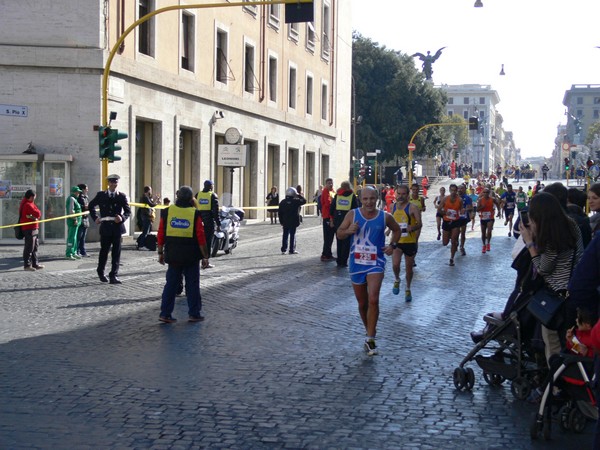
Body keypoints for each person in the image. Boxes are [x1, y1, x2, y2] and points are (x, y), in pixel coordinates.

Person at [519, 192, 583, 365]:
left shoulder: (550, 236)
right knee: (572, 342)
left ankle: (556, 385)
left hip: (557, 297)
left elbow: (543, 269)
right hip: (575, 290)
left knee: (554, 343)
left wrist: (530, 243)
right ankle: (574, 377)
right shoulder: (571, 225)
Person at [336, 186, 401, 356]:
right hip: (356, 263)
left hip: (376, 262)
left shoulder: (385, 216)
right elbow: (339, 233)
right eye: (365, 199)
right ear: (360, 200)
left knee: (373, 299)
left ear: (377, 198)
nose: (369, 202)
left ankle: (371, 338)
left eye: (372, 198)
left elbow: (397, 230)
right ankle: (369, 331)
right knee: (362, 303)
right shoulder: (352, 214)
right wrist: (349, 231)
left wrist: (392, 246)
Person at [157, 186, 209, 324]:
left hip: (173, 255)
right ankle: (194, 313)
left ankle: (165, 313)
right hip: (191, 256)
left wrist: (160, 252)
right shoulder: (195, 213)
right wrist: (205, 256)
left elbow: (161, 233)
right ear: (191, 198)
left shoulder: (167, 212)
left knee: (171, 285)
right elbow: (200, 236)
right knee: (192, 285)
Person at [88, 174, 132, 284]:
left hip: (117, 228)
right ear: (108, 183)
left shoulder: (121, 196)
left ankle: (114, 275)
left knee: (116, 253)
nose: (113, 184)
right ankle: (101, 271)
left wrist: (121, 217)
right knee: (104, 251)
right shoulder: (101, 195)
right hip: (106, 227)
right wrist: (95, 218)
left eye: (115, 182)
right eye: (111, 182)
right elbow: (91, 206)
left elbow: (128, 211)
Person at [390, 185, 421, 302]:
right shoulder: (392, 206)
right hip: (397, 241)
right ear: (396, 194)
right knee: (395, 265)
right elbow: (391, 221)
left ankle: (408, 288)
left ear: (408, 195)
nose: (401, 196)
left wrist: (412, 227)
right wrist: (388, 230)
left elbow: (420, 224)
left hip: (410, 242)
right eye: (399, 194)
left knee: (409, 269)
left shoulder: (412, 208)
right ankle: (397, 279)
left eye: (403, 194)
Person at [330, 181, 358, 267]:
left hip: (338, 219)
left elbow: (332, 208)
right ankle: (344, 261)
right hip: (348, 220)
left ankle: (339, 260)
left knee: (339, 239)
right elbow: (355, 209)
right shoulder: (352, 196)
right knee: (346, 241)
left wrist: (332, 220)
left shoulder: (337, 195)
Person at [195, 180, 220, 268]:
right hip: (208, 222)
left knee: (198, 241)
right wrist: (218, 224)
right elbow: (215, 212)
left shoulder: (198, 195)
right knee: (207, 242)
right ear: (211, 186)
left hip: (198, 221)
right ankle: (206, 261)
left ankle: (197, 260)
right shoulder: (213, 195)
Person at [438, 183, 462, 266]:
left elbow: (462, 209)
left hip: (456, 221)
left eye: (455, 190)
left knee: (454, 240)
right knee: (445, 243)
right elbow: (439, 210)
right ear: (449, 190)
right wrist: (445, 212)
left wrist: (462, 211)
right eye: (452, 190)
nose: (453, 192)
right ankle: (449, 236)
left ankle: (452, 258)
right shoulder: (445, 199)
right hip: (446, 221)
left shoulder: (459, 200)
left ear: (456, 191)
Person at [19, 189, 44, 271]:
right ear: (31, 197)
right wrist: (36, 214)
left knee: (35, 247)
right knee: (29, 247)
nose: (35, 198)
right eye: (34, 197)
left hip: (34, 228)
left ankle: (35, 264)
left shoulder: (30, 203)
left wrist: (35, 215)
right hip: (29, 229)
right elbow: (38, 213)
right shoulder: (27, 205)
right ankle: (27, 265)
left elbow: (37, 213)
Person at [278, 187, 306, 255]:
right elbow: (304, 200)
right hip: (293, 221)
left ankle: (284, 249)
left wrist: (281, 221)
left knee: (285, 235)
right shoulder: (296, 201)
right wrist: (298, 195)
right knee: (292, 235)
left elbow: (280, 213)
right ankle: (291, 249)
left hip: (285, 221)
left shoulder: (282, 202)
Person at [136, 185, 159, 250]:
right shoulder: (145, 197)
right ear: (148, 190)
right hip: (146, 216)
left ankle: (140, 243)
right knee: (145, 232)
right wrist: (156, 202)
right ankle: (141, 245)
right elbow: (151, 204)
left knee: (147, 231)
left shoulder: (145, 197)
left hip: (145, 216)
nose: (151, 192)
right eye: (150, 190)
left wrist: (155, 200)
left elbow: (151, 203)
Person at [477, 188, 498, 254]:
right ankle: (484, 245)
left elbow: (497, 203)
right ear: (483, 193)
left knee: (489, 231)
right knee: (483, 233)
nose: (485, 193)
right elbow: (477, 209)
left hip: (490, 217)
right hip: (483, 218)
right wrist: (482, 207)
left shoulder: (492, 199)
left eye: (487, 192)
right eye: (484, 192)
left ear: (489, 193)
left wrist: (499, 211)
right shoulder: (480, 200)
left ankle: (488, 243)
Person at [320, 178, 336, 262]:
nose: (331, 184)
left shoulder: (333, 191)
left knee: (330, 236)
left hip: (332, 216)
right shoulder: (325, 191)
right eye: (329, 183)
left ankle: (329, 254)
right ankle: (324, 254)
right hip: (327, 216)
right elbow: (327, 203)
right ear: (326, 184)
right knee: (327, 237)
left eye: (331, 183)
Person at [65, 186, 82, 260]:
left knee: (74, 237)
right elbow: (71, 211)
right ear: (74, 192)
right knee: (71, 238)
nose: (78, 193)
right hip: (73, 222)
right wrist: (74, 219)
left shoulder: (74, 199)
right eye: (77, 192)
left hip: (76, 222)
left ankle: (73, 252)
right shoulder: (72, 199)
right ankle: (69, 253)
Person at [457, 184, 473, 256]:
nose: (460, 190)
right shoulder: (454, 197)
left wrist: (465, 209)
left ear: (465, 189)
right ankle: (456, 242)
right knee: (456, 232)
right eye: (459, 188)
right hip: (455, 218)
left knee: (463, 232)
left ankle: (462, 246)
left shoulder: (467, 198)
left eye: (462, 188)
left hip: (463, 217)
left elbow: (471, 207)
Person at [76, 183, 90, 257]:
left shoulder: (86, 197)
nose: (87, 190)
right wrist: (85, 207)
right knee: (79, 236)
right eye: (86, 189)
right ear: (82, 189)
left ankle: (83, 251)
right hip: (81, 218)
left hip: (85, 218)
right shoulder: (79, 197)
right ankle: (77, 251)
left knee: (83, 236)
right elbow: (78, 207)